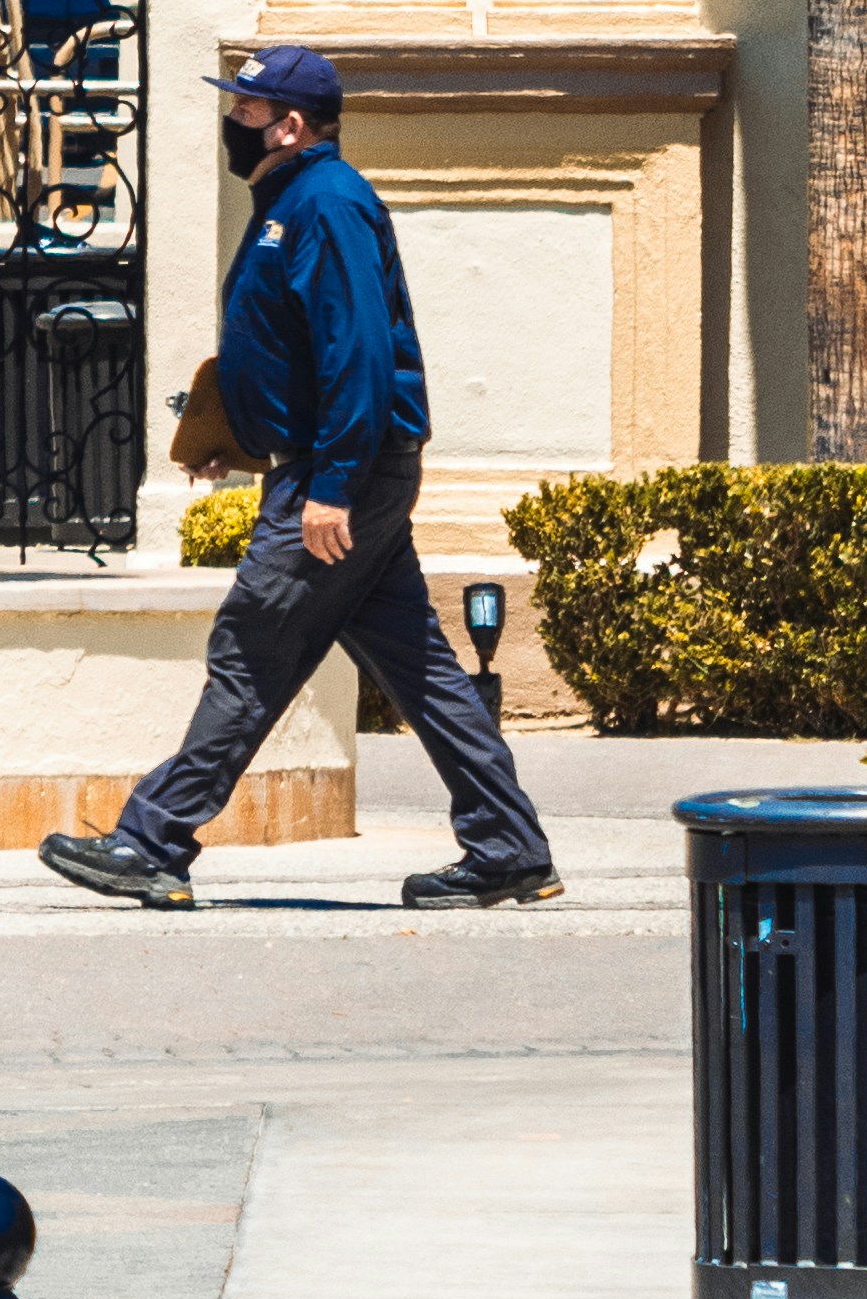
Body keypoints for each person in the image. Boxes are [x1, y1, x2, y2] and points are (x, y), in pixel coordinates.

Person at [38, 48, 557, 915]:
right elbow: (289, 350)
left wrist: (334, 486)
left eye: (245, 110)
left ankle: (152, 840)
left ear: (289, 124)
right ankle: (508, 848)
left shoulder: (327, 203)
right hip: (330, 467)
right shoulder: (291, 199)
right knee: (419, 668)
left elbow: (353, 352)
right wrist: (238, 440)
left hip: (339, 476)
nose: (231, 123)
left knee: (250, 651)